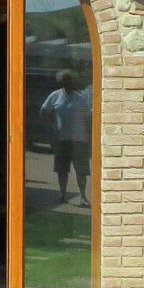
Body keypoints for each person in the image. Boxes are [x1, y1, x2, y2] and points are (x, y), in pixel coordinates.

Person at [41, 69, 92, 205]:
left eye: (69, 80)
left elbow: (88, 119)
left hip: (80, 140)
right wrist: (51, 128)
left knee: (81, 171)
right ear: (61, 81)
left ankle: (83, 197)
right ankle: (62, 194)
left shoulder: (81, 98)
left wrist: (90, 138)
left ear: (73, 81)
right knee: (62, 170)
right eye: (64, 80)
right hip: (62, 139)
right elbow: (44, 111)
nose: (67, 83)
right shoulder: (55, 96)